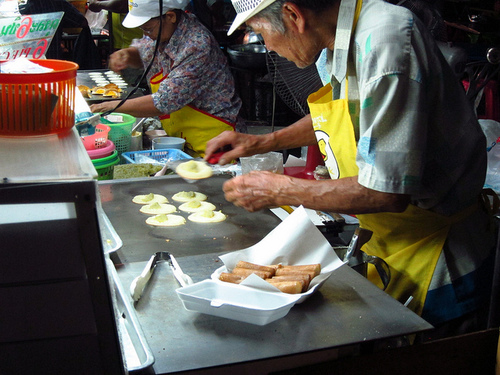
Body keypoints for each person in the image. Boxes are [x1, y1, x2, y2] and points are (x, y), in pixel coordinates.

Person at [204, 0, 498, 340]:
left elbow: (386, 191)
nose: (267, 46)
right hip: (390, 244)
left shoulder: (385, 41)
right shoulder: (334, 42)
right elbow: (344, 115)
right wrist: (264, 142)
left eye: (260, 32)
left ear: (294, 15)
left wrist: (279, 189)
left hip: (442, 262)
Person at [89, 0, 243, 157]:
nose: (146, 33)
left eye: (148, 29)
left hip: (215, 137)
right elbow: (146, 54)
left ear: (170, 16)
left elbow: (165, 101)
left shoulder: (197, 45)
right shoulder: (161, 32)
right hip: (184, 136)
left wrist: (110, 106)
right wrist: (129, 55)